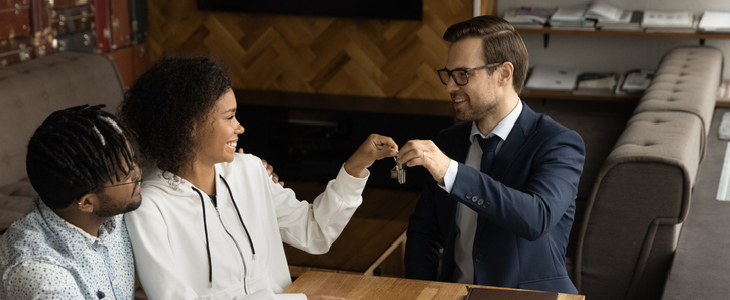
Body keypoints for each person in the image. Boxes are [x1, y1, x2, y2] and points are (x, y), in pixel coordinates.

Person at [120, 56, 398, 300]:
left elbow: (314, 232)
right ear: (190, 127)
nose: (240, 127)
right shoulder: (148, 207)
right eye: (229, 117)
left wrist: (356, 166)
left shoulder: (250, 170)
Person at [399, 15, 585, 293]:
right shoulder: (448, 142)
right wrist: (421, 289)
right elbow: (424, 230)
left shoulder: (558, 143)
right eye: (449, 75)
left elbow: (537, 218)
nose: (450, 86)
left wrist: (452, 172)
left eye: (463, 74)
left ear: (503, 74)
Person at [0, 105, 142, 299]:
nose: (137, 172)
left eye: (132, 159)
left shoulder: (112, 213)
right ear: (86, 203)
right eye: (127, 176)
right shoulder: (45, 278)